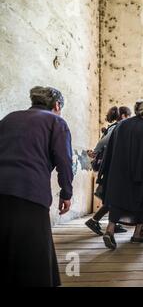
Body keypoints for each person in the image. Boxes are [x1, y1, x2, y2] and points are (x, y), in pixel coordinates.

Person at [0, 86, 73, 287]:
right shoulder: (56, 121)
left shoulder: (9, 118)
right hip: (31, 191)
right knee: (35, 248)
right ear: (57, 105)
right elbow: (64, 161)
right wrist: (66, 193)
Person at [99, 100, 143, 249]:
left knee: (117, 201)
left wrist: (107, 170)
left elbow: (110, 149)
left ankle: (110, 230)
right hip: (140, 173)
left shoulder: (122, 124)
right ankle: (138, 234)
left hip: (118, 172)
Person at [85, 106, 131, 236]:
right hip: (112, 167)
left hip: (112, 166)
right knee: (113, 196)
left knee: (113, 196)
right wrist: (95, 151)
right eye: (128, 116)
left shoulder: (116, 126)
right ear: (123, 116)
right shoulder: (118, 127)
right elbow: (104, 141)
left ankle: (113, 223)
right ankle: (94, 220)